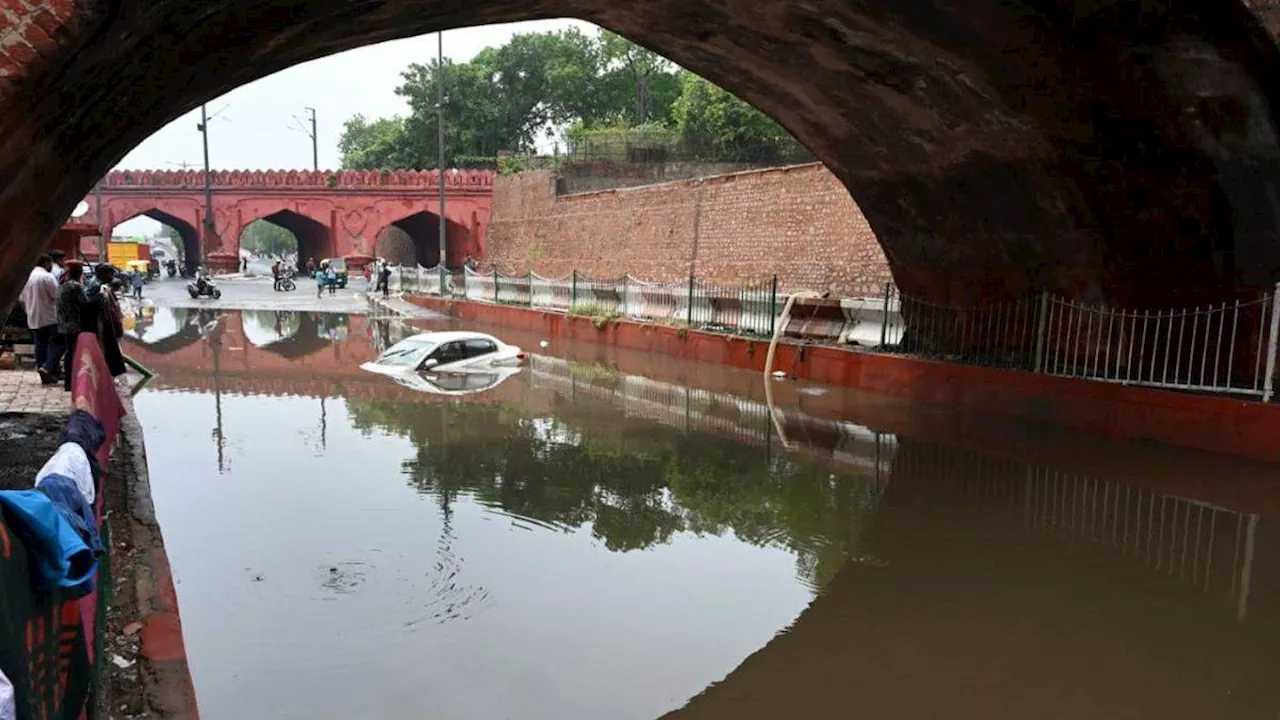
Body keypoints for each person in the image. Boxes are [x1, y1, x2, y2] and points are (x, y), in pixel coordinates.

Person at [19, 255, 61, 384]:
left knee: (40, 345)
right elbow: (57, 295)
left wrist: (28, 312)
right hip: (49, 316)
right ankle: (47, 367)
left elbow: (21, 300)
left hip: (33, 316)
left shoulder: (26, 277)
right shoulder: (47, 277)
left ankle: (43, 369)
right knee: (59, 343)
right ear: (46, 263)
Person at [81, 265, 127, 378]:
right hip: (96, 322)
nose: (111, 277)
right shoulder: (96, 286)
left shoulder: (99, 285)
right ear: (103, 274)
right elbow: (90, 304)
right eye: (110, 274)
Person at [55, 262, 89, 391]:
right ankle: (72, 382)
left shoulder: (62, 285)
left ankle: (69, 382)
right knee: (74, 354)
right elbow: (85, 303)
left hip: (64, 323)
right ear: (79, 273)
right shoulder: (75, 286)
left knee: (70, 353)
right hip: (74, 325)